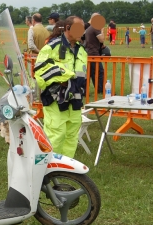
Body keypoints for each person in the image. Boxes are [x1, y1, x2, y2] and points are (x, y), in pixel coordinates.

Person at [34, 16, 87, 158]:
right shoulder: (53, 46)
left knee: (71, 138)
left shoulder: (82, 50)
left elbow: (83, 76)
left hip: (75, 101)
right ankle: (48, 169)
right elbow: (39, 69)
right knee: (56, 136)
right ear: (68, 28)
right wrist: (65, 76)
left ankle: (65, 170)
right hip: (56, 99)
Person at [84, 13, 105, 94]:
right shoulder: (96, 28)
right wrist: (102, 31)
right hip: (94, 53)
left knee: (90, 73)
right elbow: (102, 40)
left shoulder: (89, 28)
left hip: (89, 53)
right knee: (99, 72)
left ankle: (85, 91)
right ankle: (101, 89)